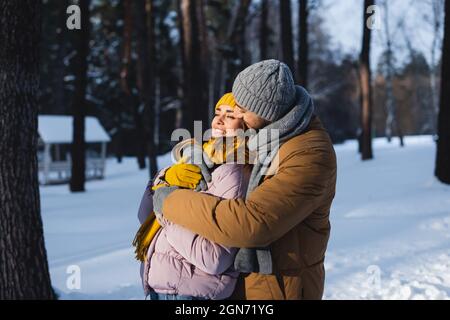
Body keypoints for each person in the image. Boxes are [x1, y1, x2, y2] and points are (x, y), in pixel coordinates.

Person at [152, 59, 338, 300]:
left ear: (266, 113)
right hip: (245, 286)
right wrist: (169, 174)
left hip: (278, 289)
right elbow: (207, 149)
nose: (236, 113)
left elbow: (251, 223)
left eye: (242, 108)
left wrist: (170, 201)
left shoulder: (309, 154)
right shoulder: (263, 137)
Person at [136, 93, 254, 300]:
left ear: (246, 125)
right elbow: (144, 214)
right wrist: (164, 178)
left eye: (230, 115)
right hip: (163, 289)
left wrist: (167, 209)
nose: (218, 120)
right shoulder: (198, 159)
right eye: (217, 113)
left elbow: (214, 258)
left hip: (191, 294)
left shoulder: (233, 171)